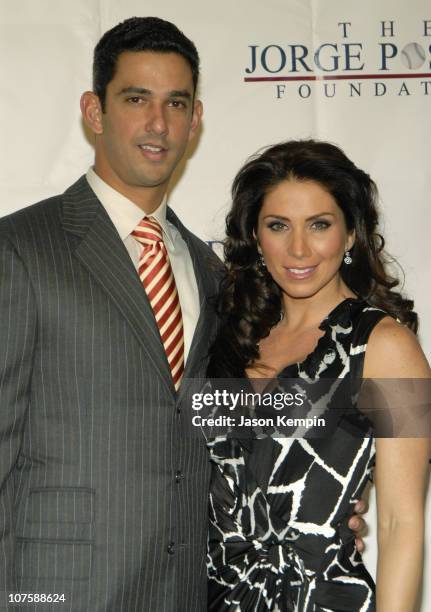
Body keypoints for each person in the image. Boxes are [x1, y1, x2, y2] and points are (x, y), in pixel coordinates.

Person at [0, 19, 367, 612]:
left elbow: (250, 418)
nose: (157, 123)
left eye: (176, 103)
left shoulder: (217, 275)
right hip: (54, 592)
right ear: (94, 112)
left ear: (195, 121)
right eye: (136, 99)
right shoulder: (20, 249)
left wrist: (331, 499)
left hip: (193, 589)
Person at [206, 140, 431, 611]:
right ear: (255, 234)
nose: (299, 248)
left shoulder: (388, 348)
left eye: (320, 225)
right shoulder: (224, 337)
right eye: (278, 226)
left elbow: (400, 523)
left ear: (351, 235)